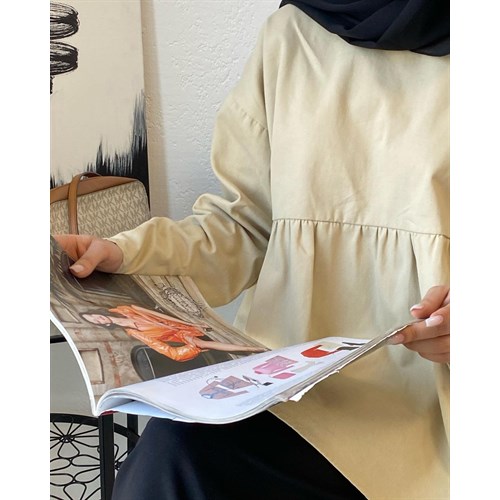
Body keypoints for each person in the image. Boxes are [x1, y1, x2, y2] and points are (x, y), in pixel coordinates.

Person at [55, 1, 450, 498]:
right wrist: (124, 255)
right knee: (171, 458)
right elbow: (242, 225)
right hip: (286, 388)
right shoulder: (293, 33)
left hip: (437, 407)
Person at [81, 305, 266, 362]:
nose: (98, 319)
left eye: (95, 316)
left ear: (98, 312)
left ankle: (252, 347)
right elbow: (166, 350)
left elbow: (158, 315)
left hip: (181, 323)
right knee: (200, 343)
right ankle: (253, 349)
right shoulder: (133, 333)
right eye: (95, 321)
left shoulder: (125, 310)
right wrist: (189, 347)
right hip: (180, 336)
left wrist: (190, 323)